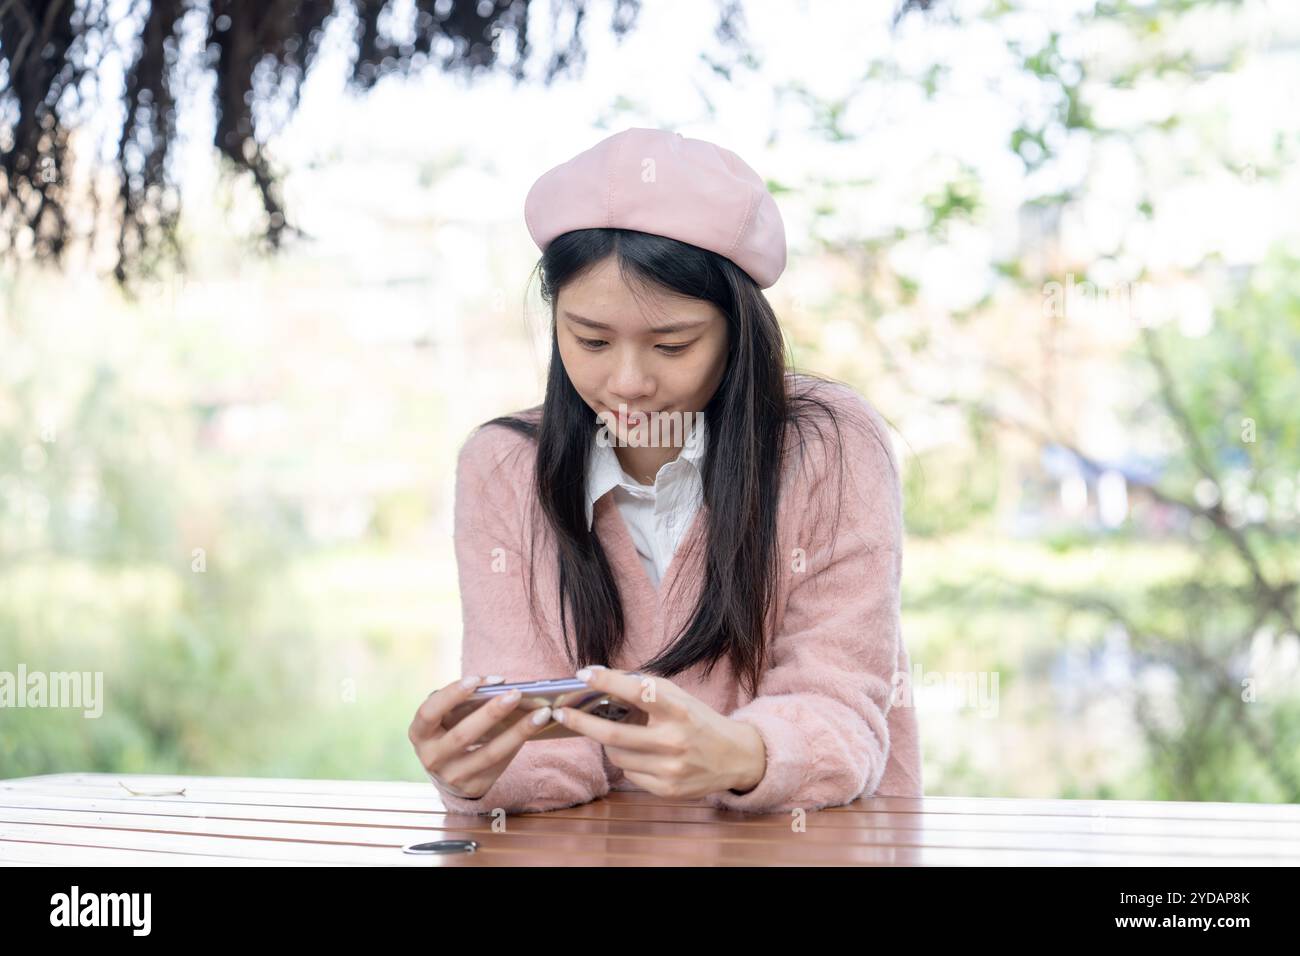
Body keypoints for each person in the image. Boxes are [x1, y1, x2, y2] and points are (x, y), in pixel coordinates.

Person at [408, 127, 922, 815]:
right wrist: (476, 770)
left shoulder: (830, 444)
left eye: (671, 344)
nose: (626, 382)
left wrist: (743, 755)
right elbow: (543, 751)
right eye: (589, 339)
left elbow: (844, 712)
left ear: (739, 329)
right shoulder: (503, 467)